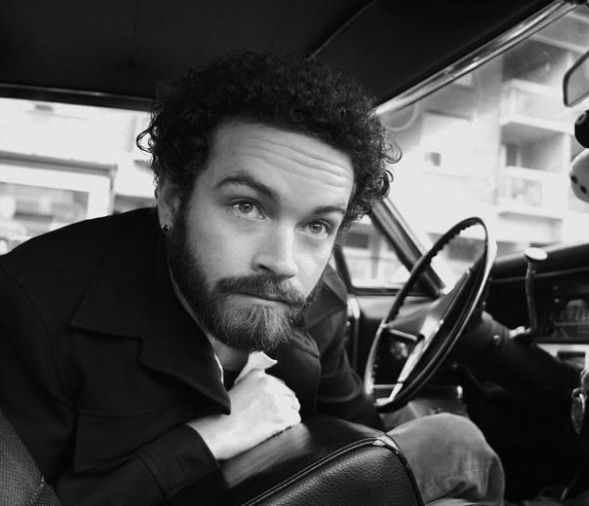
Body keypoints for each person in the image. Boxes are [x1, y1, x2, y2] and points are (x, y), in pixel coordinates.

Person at [0, 52, 504, 505]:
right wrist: (205, 440)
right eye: (247, 207)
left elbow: (360, 431)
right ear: (173, 200)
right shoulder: (34, 304)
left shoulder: (321, 300)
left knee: (454, 440)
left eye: (316, 225)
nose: (283, 263)